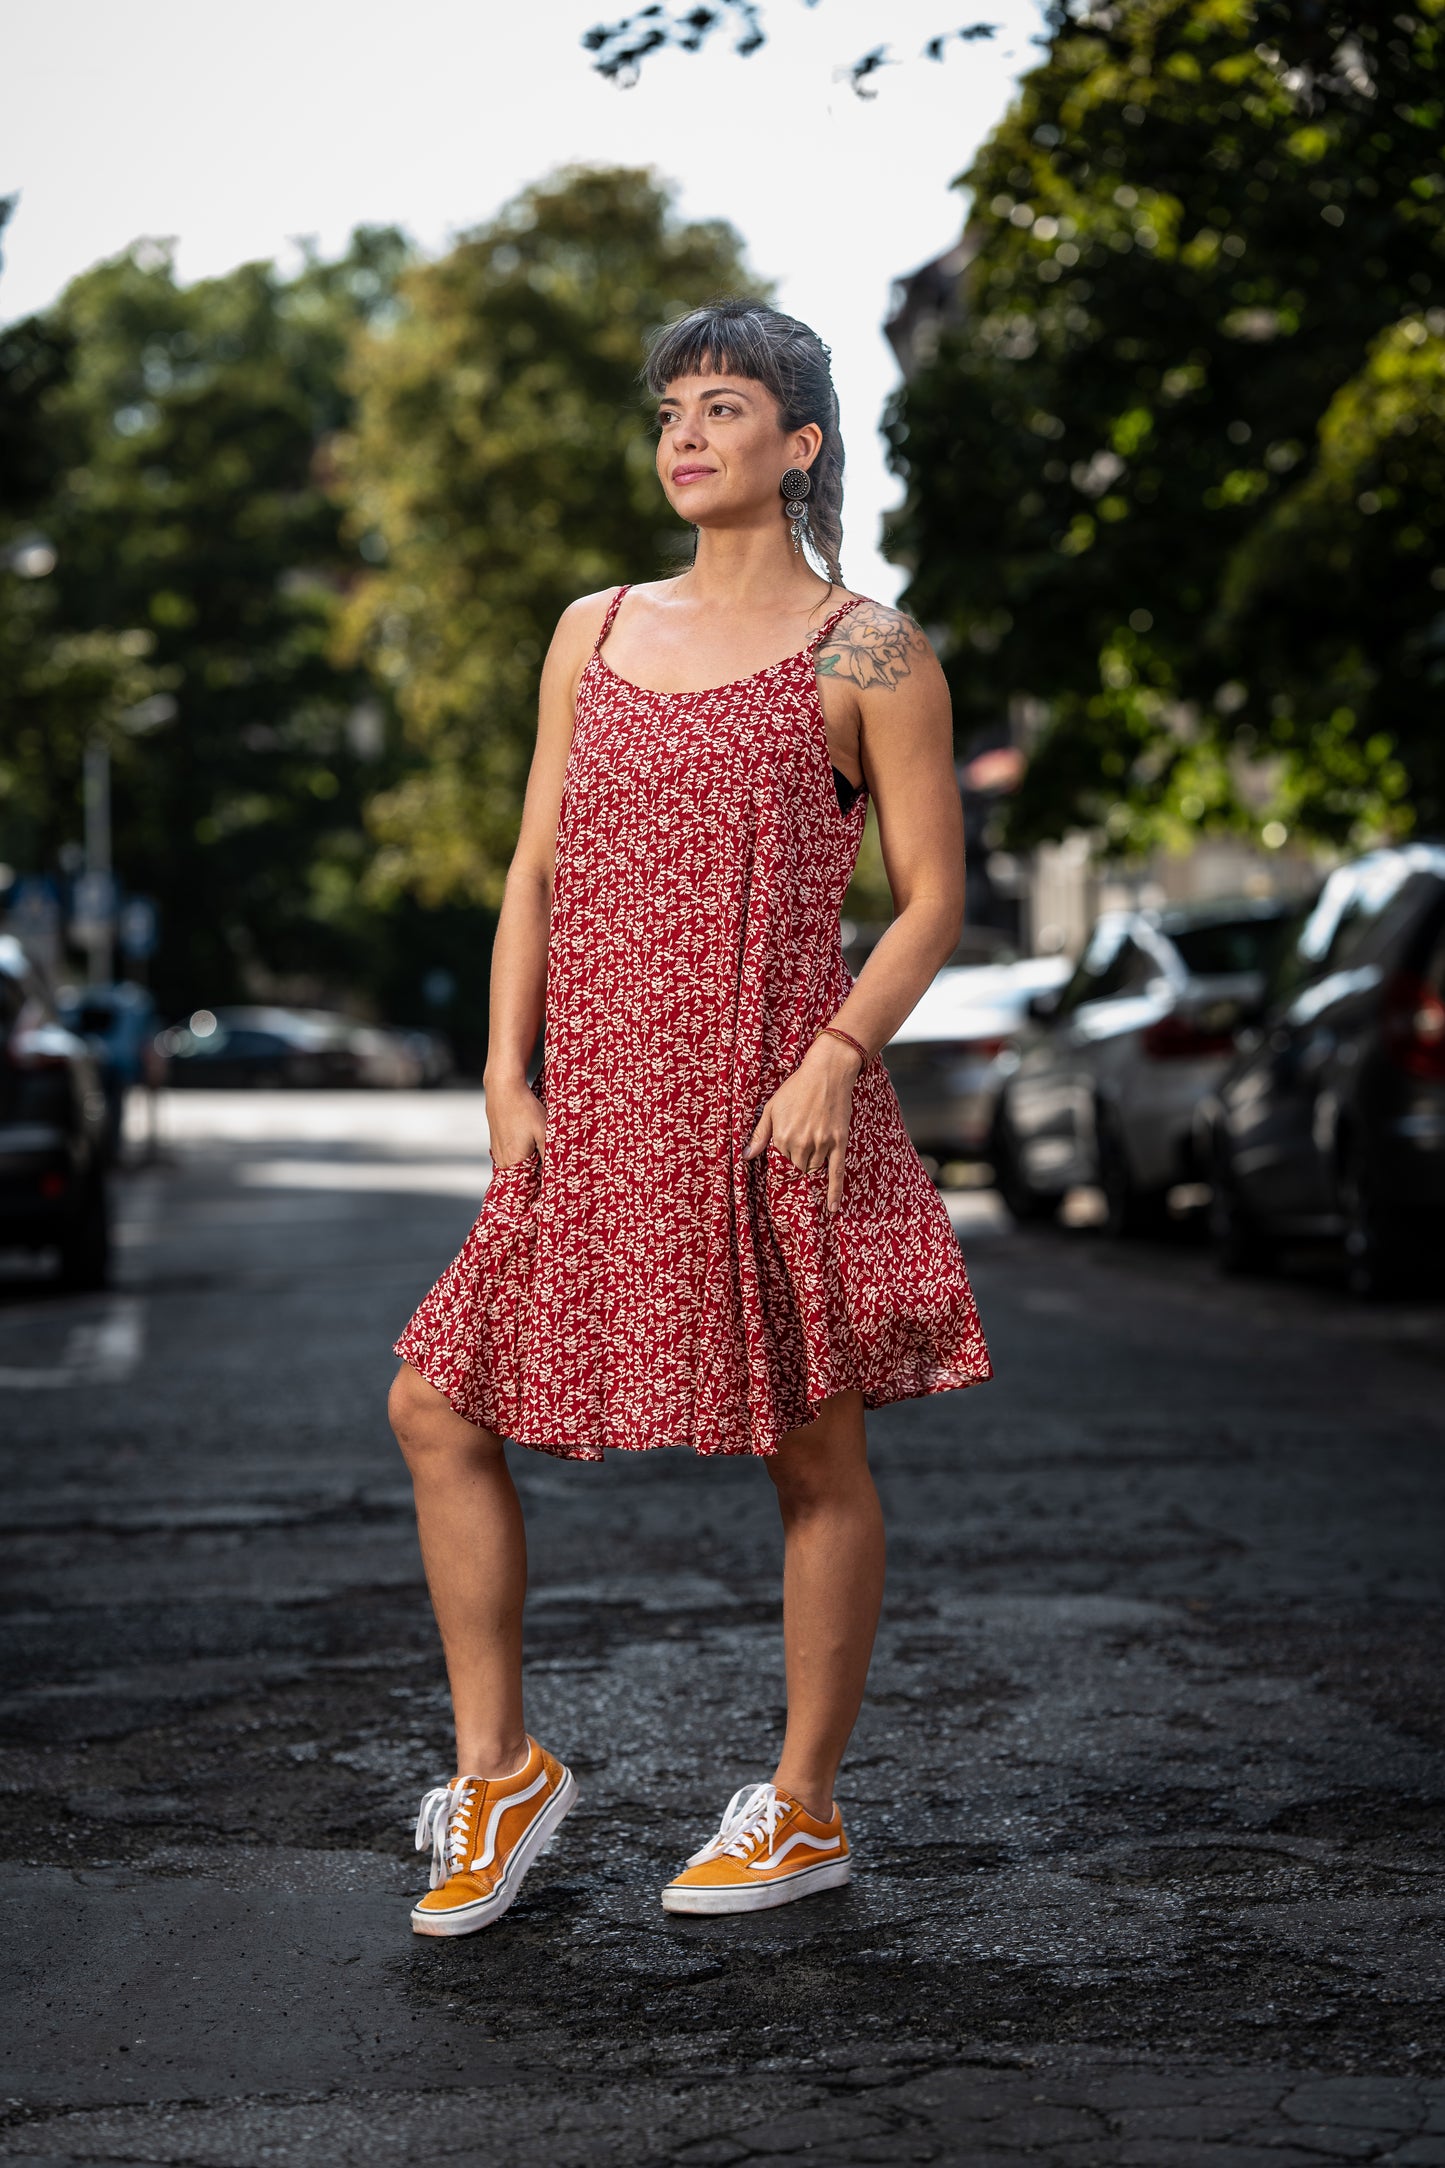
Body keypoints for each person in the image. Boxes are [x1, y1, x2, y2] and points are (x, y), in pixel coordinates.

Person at [389, 300, 991, 1937]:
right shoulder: (590, 628)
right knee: (437, 1406)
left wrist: (837, 1056)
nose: (683, 435)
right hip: (590, 1107)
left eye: (722, 408)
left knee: (811, 1449)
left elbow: (933, 899)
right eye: (668, 409)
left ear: (798, 445)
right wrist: (509, 1080)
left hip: (769, 1107)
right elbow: (531, 872)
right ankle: (499, 1770)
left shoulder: (869, 647)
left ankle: (800, 1808)